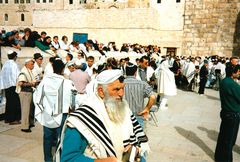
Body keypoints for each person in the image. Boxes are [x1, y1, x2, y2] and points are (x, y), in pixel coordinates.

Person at [58, 69, 149, 162]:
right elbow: (68, 158)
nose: (121, 94)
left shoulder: (125, 110)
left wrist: (134, 150)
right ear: (101, 91)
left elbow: (137, 141)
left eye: (123, 88)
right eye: (116, 89)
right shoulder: (82, 119)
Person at [33, 59, 76, 162]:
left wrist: (44, 108)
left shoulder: (45, 81)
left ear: (52, 68)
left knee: (47, 138)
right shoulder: (67, 83)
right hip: (62, 114)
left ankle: (47, 159)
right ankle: (59, 159)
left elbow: (37, 96)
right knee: (61, 139)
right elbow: (72, 101)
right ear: (62, 69)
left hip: (47, 114)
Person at [215, 64, 240, 162]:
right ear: (234, 72)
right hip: (233, 114)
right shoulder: (233, 85)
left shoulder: (224, 81)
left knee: (222, 137)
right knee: (229, 141)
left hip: (225, 112)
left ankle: (219, 157)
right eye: (238, 72)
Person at [124, 63, 156, 130]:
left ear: (125, 72)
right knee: (139, 137)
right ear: (136, 72)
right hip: (138, 115)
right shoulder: (143, 84)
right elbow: (152, 97)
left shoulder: (120, 84)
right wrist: (147, 109)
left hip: (124, 116)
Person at [16, 59, 38, 133]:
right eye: (32, 64)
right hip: (25, 93)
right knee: (25, 110)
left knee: (30, 109)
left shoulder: (29, 71)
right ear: (27, 64)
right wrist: (32, 84)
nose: (33, 65)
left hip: (29, 92)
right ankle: (24, 127)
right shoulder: (23, 72)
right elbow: (21, 83)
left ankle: (30, 123)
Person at [0, 50, 21, 124]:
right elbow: (18, 76)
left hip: (6, 86)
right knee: (14, 103)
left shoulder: (5, 64)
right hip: (13, 86)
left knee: (9, 102)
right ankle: (13, 119)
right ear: (15, 57)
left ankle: (7, 118)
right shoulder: (14, 65)